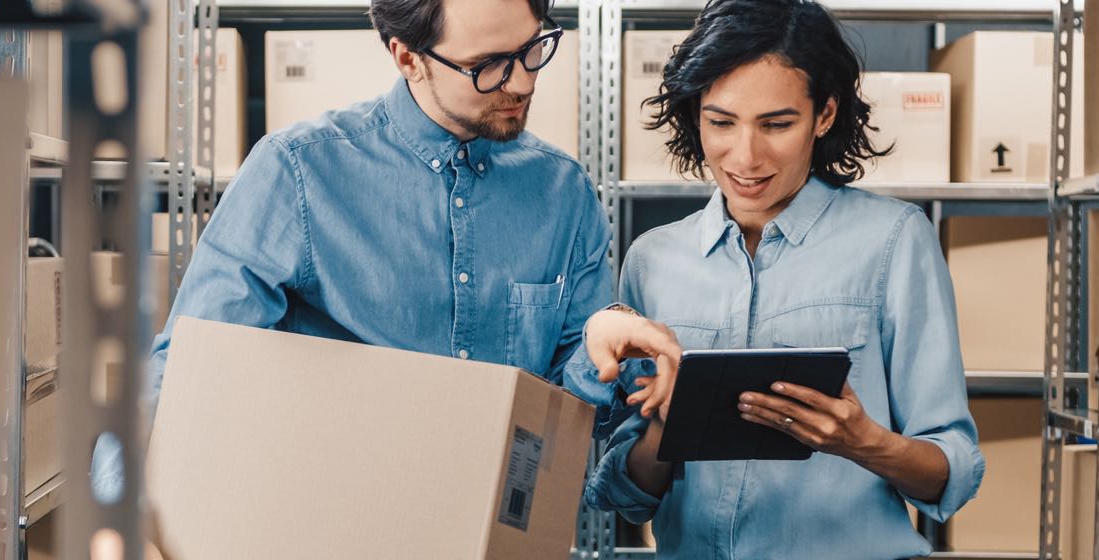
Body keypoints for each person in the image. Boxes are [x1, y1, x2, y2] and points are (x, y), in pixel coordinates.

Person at [143, 0, 681, 438]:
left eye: (531, 48)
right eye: (489, 65)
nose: (521, 82)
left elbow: (573, 406)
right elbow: (188, 372)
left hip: (500, 520)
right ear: (407, 58)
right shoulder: (298, 173)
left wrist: (601, 345)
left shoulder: (563, 192)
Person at [582, 0, 985, 557]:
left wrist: (864, 443)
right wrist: (664, 427)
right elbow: (629, 497)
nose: (746, 156)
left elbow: (952, 473)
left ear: (824, 115)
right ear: (695, 113)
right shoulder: (652, 260)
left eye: (777, 124)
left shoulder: (894, 240)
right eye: (721, 122)